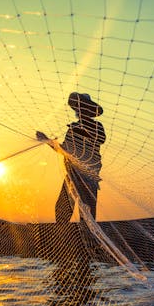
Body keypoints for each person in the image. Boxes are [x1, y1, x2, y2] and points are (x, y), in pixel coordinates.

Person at [37, 92, 106, 223]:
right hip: (72, 174)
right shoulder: (72, 129)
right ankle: (63, 236)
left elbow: (101, 138)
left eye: (82, 107)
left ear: (89, 110)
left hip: (88, 177)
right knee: (62, 209)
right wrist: (47, 140)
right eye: (78, 107)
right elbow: (64, 150)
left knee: (87, 213)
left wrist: (79, 129)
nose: (79, 110)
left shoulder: (97, 126)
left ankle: (88, 240)